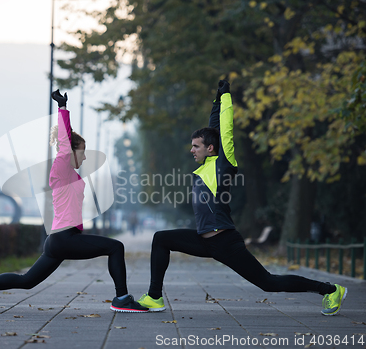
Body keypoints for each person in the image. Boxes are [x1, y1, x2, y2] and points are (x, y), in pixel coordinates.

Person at [137, 80, 347, 316]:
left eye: (196, 146)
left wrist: (226, 97)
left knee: (269, 283)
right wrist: (216, 101)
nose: (192, 150)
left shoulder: (223, 165)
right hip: (204, 240)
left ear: (211, 149)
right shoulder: (206, 167)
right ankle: (154, 297)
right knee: (161, 239)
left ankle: (330, 290)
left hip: (225, 241)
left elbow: (224, 130)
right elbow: (214, 128)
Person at [0, 90, 148, 313]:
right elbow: (65, 143)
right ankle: (122, 298)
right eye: (83, 152)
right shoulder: (62, 168)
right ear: (70, 151)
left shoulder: (72, 175)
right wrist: (63, 109)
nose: (85, 157)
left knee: (27, 281)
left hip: (60, 239)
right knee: (116, 247)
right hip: (63, 238)